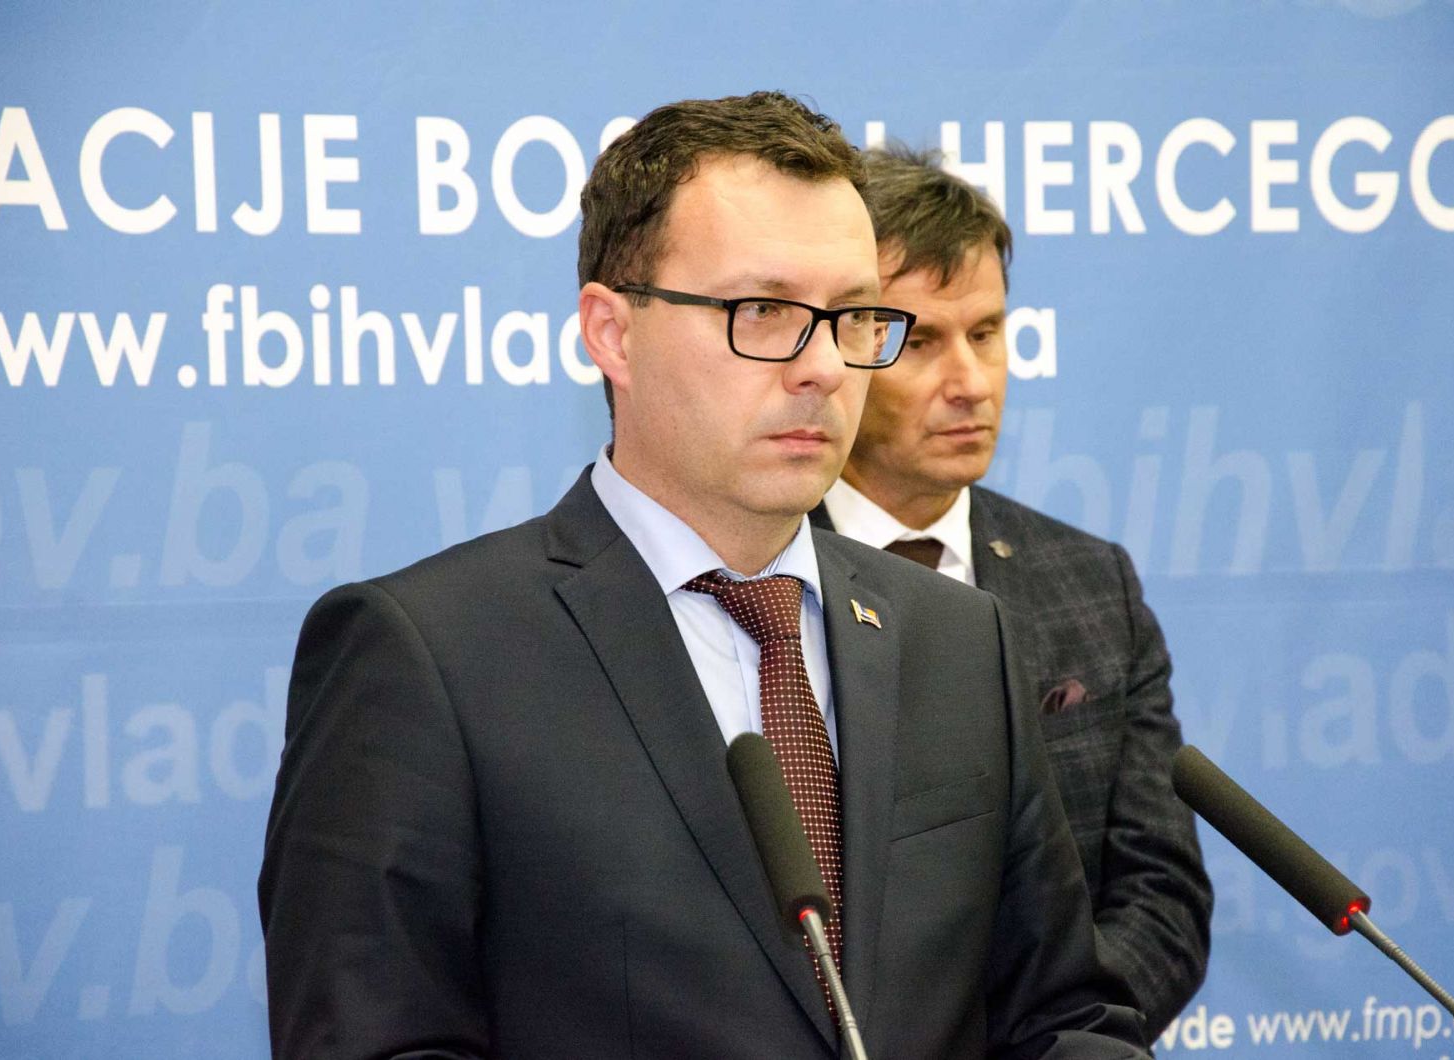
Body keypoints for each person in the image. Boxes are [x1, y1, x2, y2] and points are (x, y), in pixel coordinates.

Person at [259, 93, 1147, 1059]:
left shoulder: (960, 638)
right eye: (763, 312)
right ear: (612, 332)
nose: (823, 366)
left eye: (853, 317)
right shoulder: (430, 656)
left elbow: (1059, 1018)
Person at [814, 145, 1212, 1042]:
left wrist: (1050, 1042)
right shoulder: (760, 575)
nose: (970, 383)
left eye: (987, 333)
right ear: (845, 347)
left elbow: (1162, 899)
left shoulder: (1091, 584)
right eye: (921, 341)